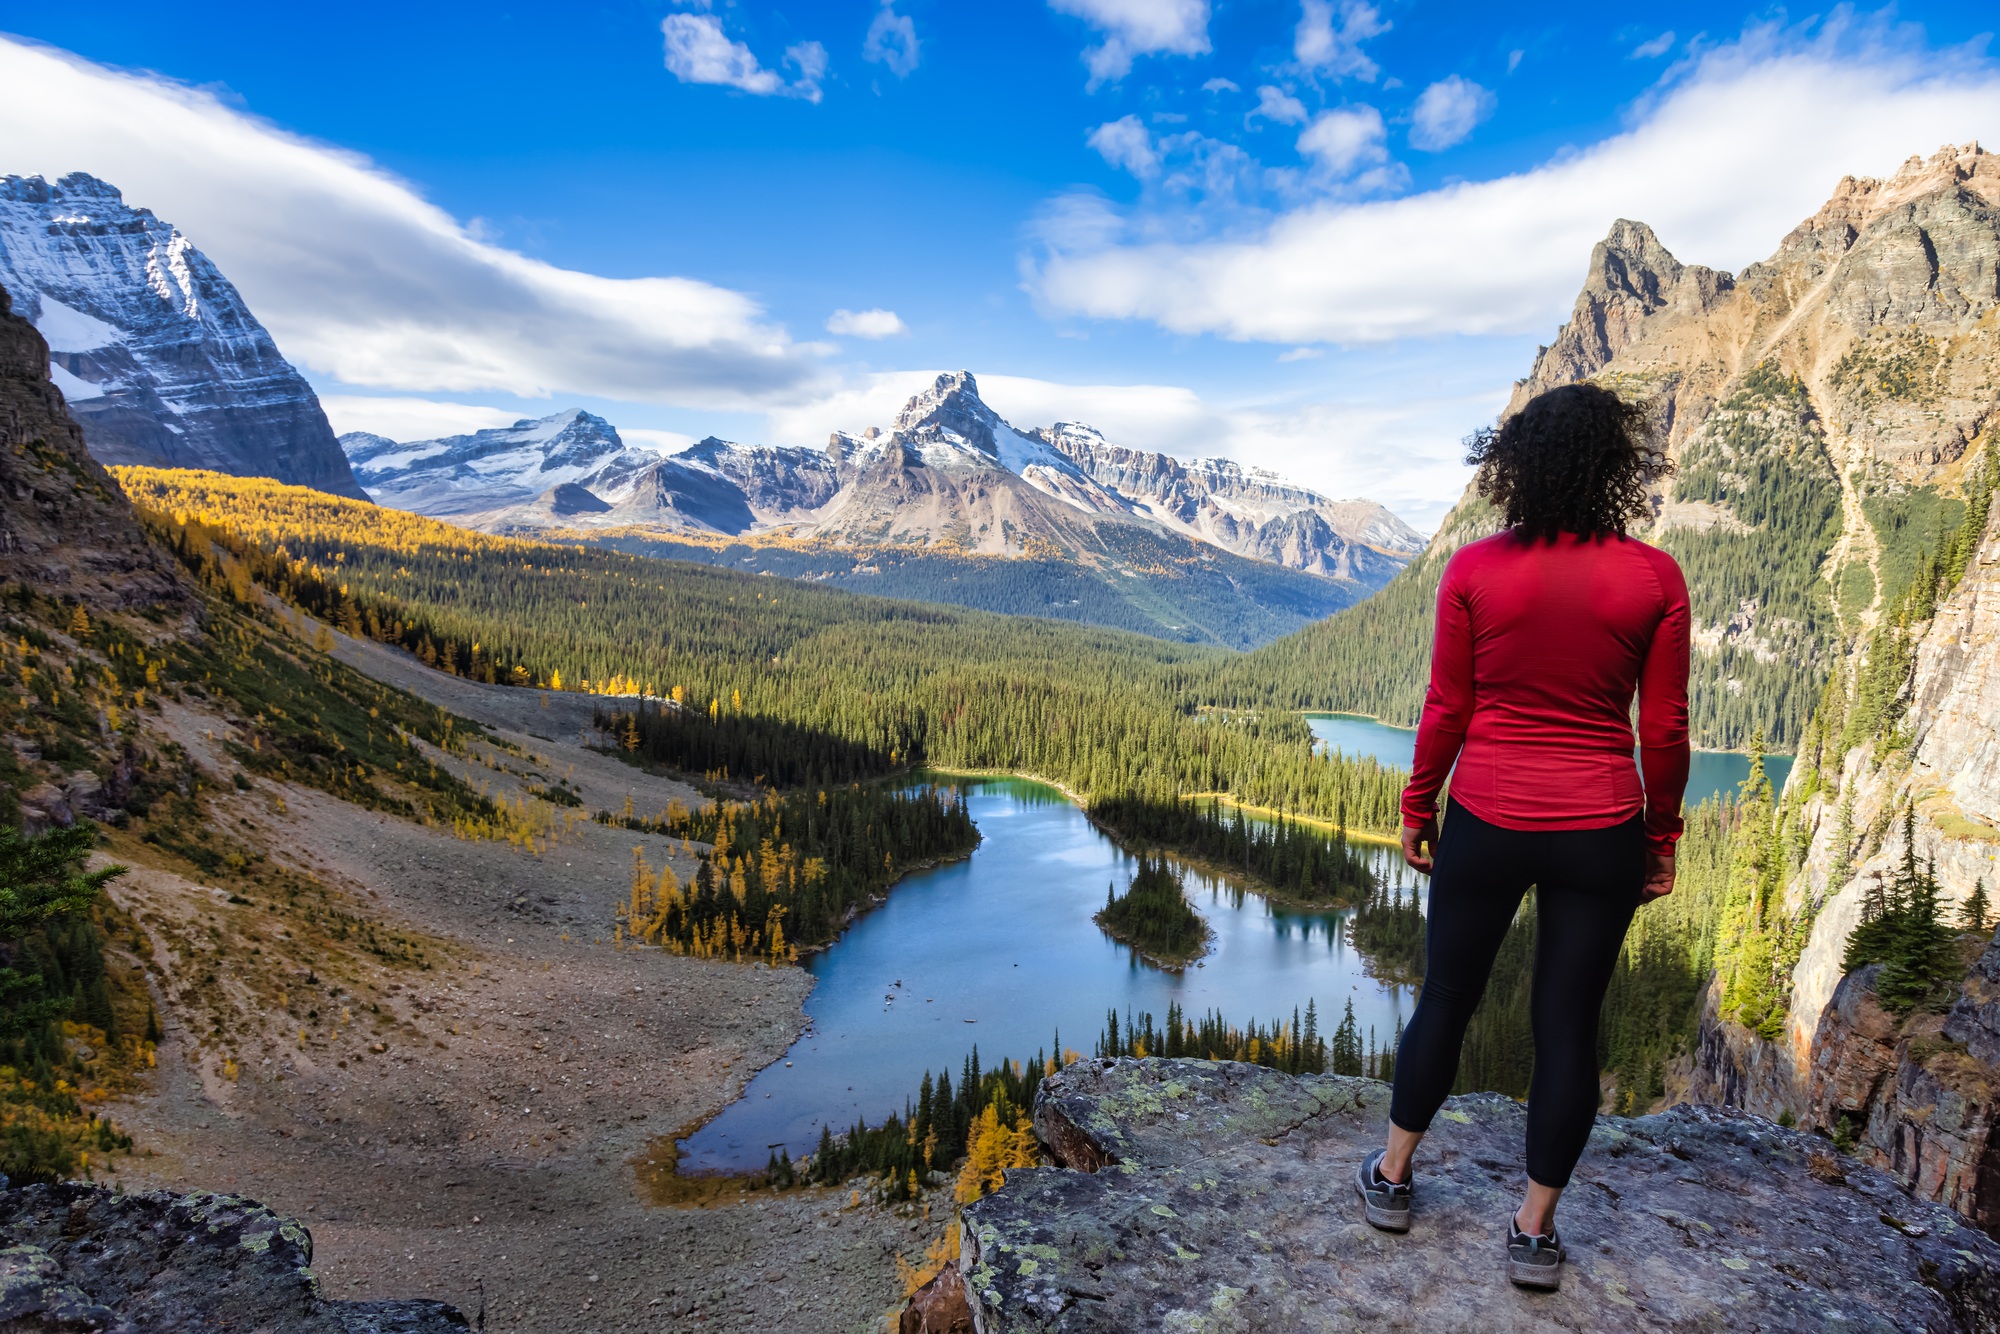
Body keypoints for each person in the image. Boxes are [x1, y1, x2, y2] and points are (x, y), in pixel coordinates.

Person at [1353, 383, 1689, 1292]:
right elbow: (1663, 728)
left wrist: (1418, 807)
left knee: (1447, 998)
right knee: (1567, 1026)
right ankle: (1533, 1233)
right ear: (1615, 466)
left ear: (1514, 468)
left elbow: (1447, 706)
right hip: (1603, 827)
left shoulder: (1475, 569)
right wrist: (1661, 836)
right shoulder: (1654, 577)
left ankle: (1391, 1180)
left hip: (1488, 818)